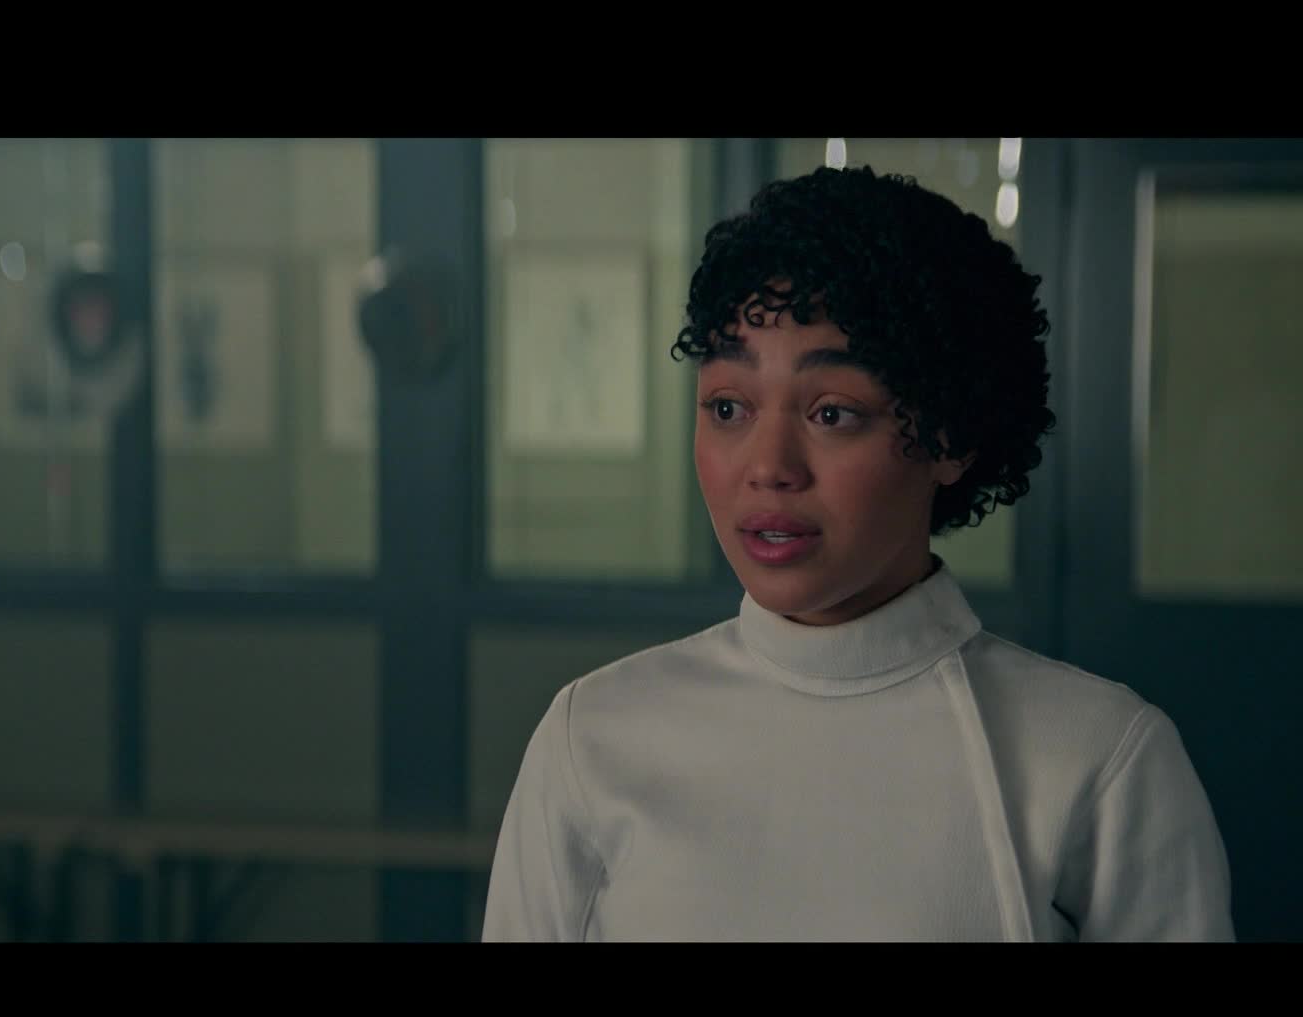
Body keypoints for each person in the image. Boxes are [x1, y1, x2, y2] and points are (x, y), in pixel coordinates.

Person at [482, 164, 1233, 942]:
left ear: (949, 437)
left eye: (832, 413)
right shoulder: (592, 737)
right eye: (729, 406)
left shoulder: (1099, 757)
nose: (769, 466)